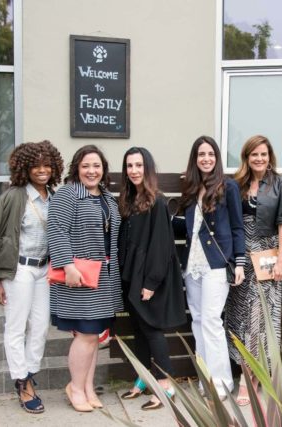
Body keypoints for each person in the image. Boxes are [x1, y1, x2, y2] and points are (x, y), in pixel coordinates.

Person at [0, 140, 64, 414]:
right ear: (24, 168)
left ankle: (29, 372)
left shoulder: (55, 196)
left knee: (40, 326)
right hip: (19, 270)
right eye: (36, 165)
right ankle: (24, 383)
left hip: (43, 270)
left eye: (47, 164)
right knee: (16, 327)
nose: (42, 170)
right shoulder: (13, 196)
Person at [47, 145, 123, 413]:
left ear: (104, 170)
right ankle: (75, 388)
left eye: (97, 166)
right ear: (77, 168)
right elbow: (56, 231)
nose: (92, 171)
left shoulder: (107, 198)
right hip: (77, 277)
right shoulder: (68, 194)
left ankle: (88, 387)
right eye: (86, 166)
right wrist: (67, 265)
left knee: (94, 336)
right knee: (87, 334)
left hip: (103, 278)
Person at [117, 147, 187, 410]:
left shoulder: (157, 201)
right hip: (130, 274)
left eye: (138, 165)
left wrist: (150, 283)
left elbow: (161, 246)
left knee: (152, 330)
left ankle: (166, 384)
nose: (134, 171)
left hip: (148, 277)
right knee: (138, 329)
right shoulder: (129, 200)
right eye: (129, 166)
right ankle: (145, 377)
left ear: (148, 168)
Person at [176, 135, 245, 400]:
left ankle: (223, 382)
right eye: (201, 154)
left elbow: (237, 226)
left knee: (212, 321)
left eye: (211, 154)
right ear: (195, 159)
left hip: (217, 263)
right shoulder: (192, 188)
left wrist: (239, 261)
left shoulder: (228, 187)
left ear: (217, 158)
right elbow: (190, 227)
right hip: (192, 264)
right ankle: (207, 378)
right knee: (198, 321)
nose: (206, 158)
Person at [226, 135, 282, 405]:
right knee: (239, 317)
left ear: (270, 156)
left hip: (267, 255)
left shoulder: (280, 184)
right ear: (246, 157)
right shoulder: (236, 183)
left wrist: (279, 260)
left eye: (263, 154)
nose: (259, 159)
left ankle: (249, 380)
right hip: (241, 256)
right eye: (254, 154)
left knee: (261, 319)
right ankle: (250, 373)